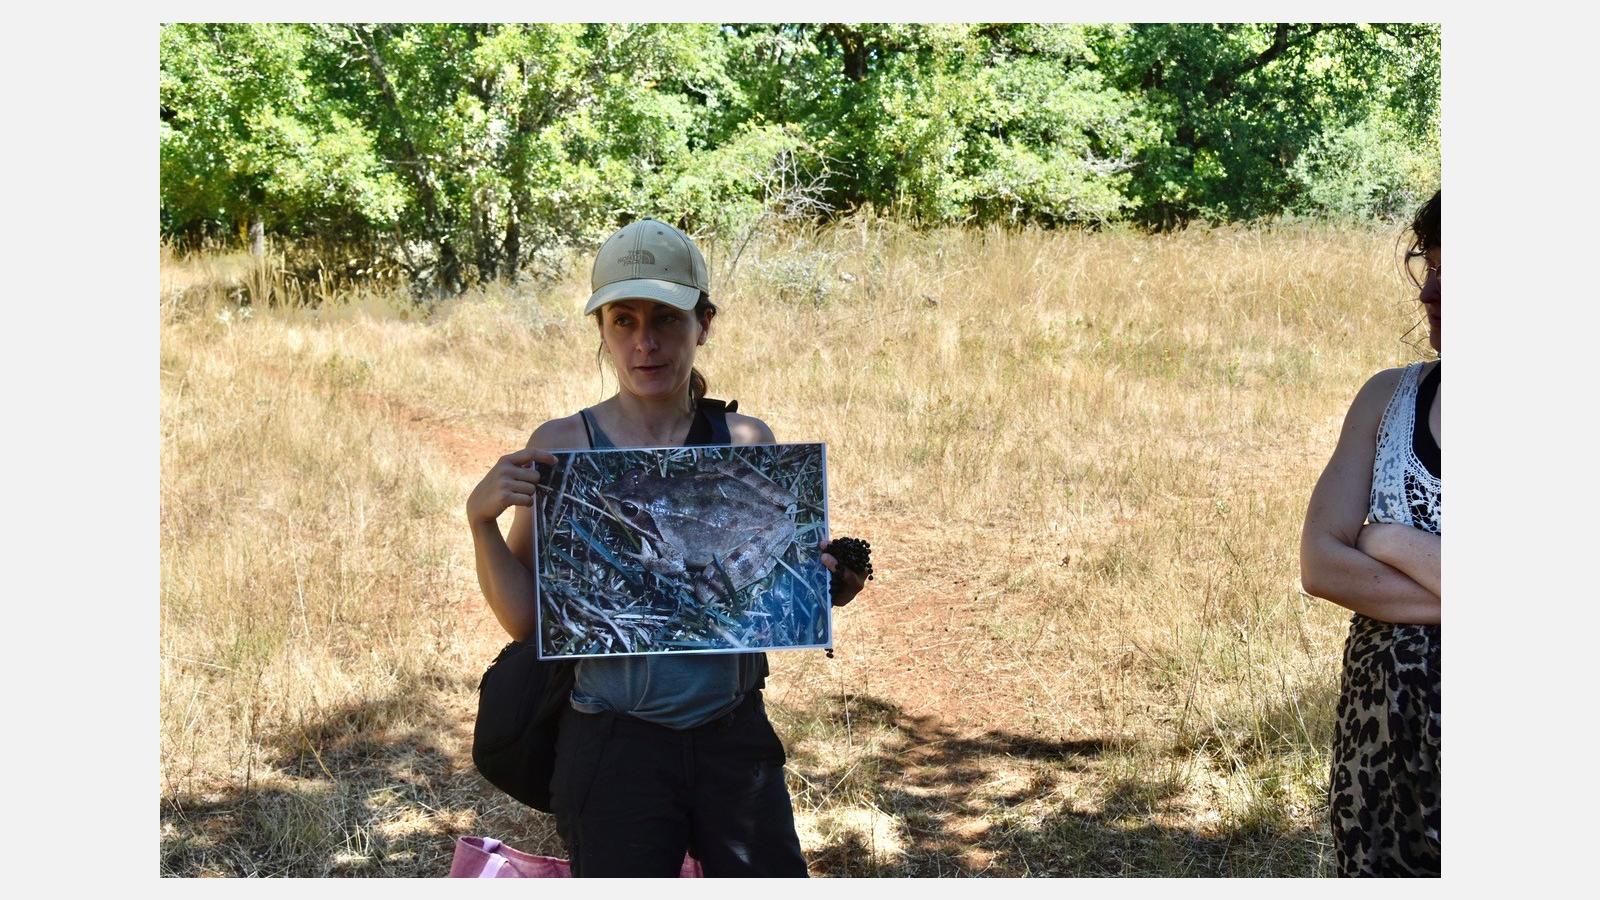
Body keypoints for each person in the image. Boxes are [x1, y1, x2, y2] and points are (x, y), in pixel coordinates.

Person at [466, 218, 868, 877]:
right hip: (615, 743)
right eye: (623, 321)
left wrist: (827, 588)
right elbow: (528, 622)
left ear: (703, 323)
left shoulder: (743, 443)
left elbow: (776, 591)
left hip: (732, 736)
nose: (644, 343)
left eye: (666, 320)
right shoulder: (565, 448)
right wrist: (479, 522)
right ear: (601, 330)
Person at [1299, 191, 1441, 876]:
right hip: (1378, 744)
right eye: (1429, 267)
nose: (1432, 292)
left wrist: (1385, 538)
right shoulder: (1388, 398)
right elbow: (1321, 564)